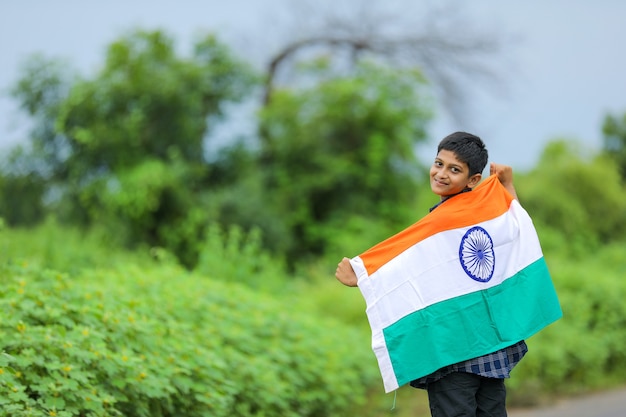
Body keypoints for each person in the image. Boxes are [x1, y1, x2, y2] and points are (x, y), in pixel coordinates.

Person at [335, 132, 525, 417]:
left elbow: (406, 259)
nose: (442, 174)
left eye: (454, 169)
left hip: (453, 352)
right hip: (490, 347)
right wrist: (508, 185)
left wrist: (363, 274)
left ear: (474, 180)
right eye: (439, 164)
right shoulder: (484, 215)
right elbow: (515, 229)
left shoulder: (443, 221)